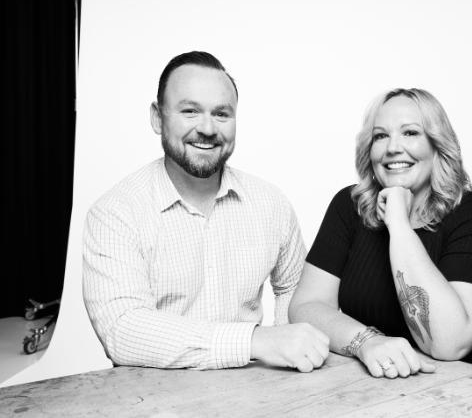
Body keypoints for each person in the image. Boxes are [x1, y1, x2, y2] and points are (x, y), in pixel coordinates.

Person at [83, 51, 328, 372]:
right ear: (158, 118)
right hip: (153, 398)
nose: (208, 128)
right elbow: (122, 329)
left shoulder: (270, 203)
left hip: (255, 392)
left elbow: (296, 291)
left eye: (222, 114)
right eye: (190, 111)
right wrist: (255, 342)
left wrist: (290, 349)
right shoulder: (115, 213)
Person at [289, 88, 472, 378]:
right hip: (379, 381)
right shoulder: (350, 205)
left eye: (410, 133)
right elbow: (305, 307)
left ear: (437, 145)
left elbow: (449, 344)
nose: (392, 147)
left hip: (470, 384)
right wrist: (368, 343)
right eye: (381, 136)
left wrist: (399, 225)